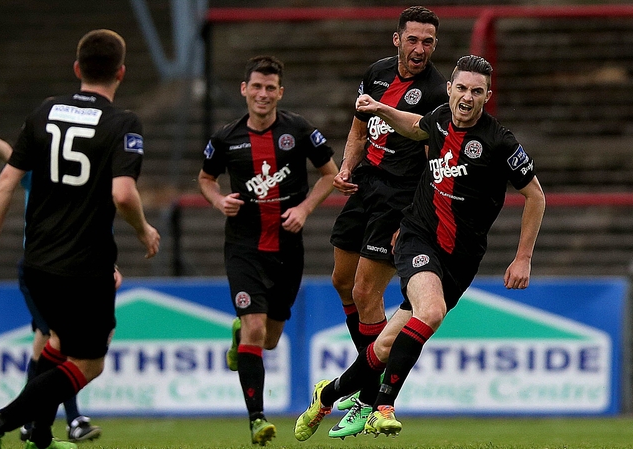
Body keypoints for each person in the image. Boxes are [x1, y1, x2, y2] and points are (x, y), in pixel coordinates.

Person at [294, 55, 545, 440]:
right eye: (461, 88)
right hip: (417, 236)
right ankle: (383, 406)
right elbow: (415, 126)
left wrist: (523, 257)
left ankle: (326, 395)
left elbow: (535, 196)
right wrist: (379, 108)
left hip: (461, 258)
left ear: (487, 96)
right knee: (430, 312)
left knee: (385, 345)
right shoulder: (440, 118)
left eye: (476, 91)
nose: (467, 97)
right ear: (450, 89)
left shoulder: (500, 142)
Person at [0, 29, 160, 449]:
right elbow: (123, 194)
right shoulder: (122, 123)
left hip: (36, 263)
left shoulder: (45, 111)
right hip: (84, 266)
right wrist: (144, 230)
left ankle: (38, 436)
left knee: (55, 344)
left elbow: (6, 181)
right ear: (121, 72)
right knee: (90, 362)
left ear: (77, 69)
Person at [197, 55, 338, 446]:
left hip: (287, 248)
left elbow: (331, 174)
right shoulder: (225, 137)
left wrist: (305, 208)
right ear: (244, 89)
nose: (262, 94)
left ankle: (239, 331)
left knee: (270, 338)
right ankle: (257, 418)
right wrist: (217, 200)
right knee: (257, 330)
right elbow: (206, 179)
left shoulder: (299, 130)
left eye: (269, 88)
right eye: (255, 86)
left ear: (280, 92)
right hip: (243, 246)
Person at [326, 5, 448, 438]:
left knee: (364, 290)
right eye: (412, 40)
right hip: (364, 185)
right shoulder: (376, 73)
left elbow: (434, 155)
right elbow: (359, 128)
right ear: (397, 39)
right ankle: (370, 371)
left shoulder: (437, 91)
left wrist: (415, 219)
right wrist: (345, 167)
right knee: (341, 282)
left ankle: (372, 392)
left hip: (399, 198)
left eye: (428, 42)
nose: (420, 49)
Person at [0, 109, 108, 443]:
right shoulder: (41, 171)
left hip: (68, 269)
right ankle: (44, 423)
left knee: (51, 345)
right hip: (47, 270)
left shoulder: (81, 175)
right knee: (63, 345)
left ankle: (38, 430)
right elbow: (10, 158)